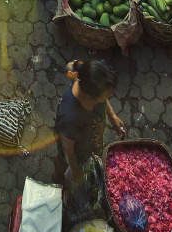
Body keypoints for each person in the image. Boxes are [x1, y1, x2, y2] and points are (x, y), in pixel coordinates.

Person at [54, 60, 125, 199]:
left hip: (89, 140)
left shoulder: (90, 77)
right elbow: (68, 149)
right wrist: (75, 171)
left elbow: (103, 97)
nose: (107, 98)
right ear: (90, 96)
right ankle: (58, 183)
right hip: (74, 152)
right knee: (62, 165)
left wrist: (112, 116)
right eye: (104, 96)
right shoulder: (71, 117)